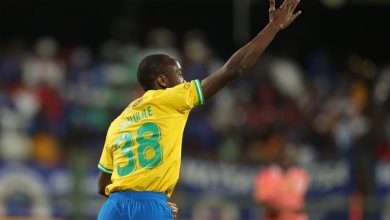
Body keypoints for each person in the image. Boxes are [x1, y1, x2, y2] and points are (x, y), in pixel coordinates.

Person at [97, 0, 302, 219]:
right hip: (150, 205)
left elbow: (103, 186)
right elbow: (234, 69)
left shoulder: (119, 121)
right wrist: (273, 27)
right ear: (163, 80)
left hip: (113, 209)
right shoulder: (173, 98)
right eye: (179, 73)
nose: (184, 79)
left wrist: (138, 204)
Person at [253, 146, 309, 220]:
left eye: (289, 155)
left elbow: (300, 199)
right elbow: (261, 199)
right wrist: (278, 208)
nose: (286, 159)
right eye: (284, 155)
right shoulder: (266, 174)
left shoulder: (301, 174)